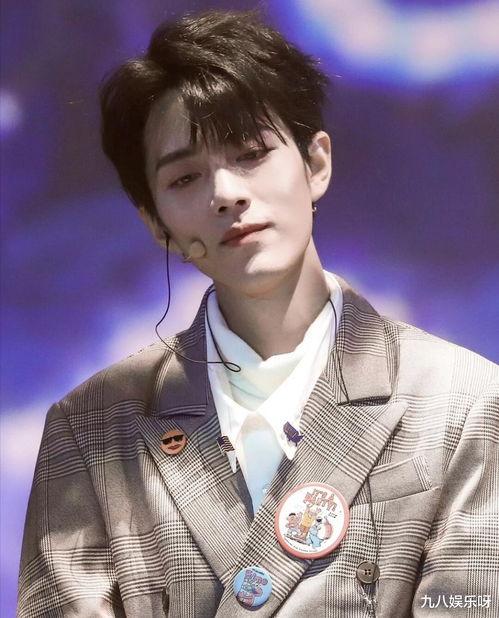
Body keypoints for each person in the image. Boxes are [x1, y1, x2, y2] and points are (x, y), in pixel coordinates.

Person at [17, 9, 499, 618]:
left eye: (250, 152)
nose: (226, 193)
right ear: (156, 222)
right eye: (185, 178)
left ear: (315, 164)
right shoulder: (89, 429)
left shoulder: (465, 403)